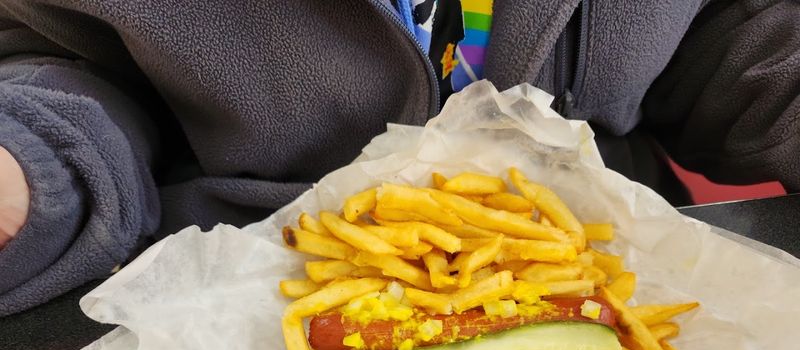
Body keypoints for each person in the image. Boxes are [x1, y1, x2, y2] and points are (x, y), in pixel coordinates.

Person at [0, 0, 797, 315]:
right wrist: (30, 168)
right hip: (242, 302)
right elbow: (54, 61)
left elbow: (732, 30)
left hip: (619, 285)